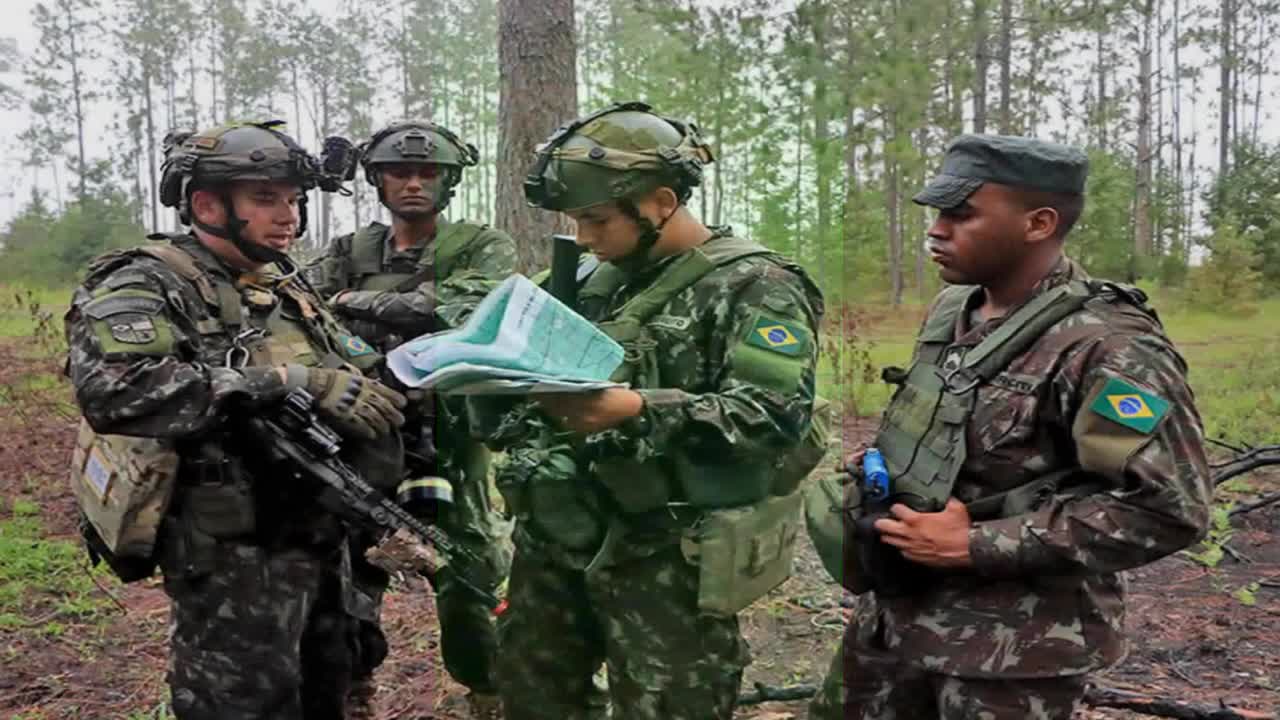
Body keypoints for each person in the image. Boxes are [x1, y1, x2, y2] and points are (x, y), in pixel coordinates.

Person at [808, 134, 1213, 720]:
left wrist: (975, 544)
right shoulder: (956, 310)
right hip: (895, 619)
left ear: (1039, 223)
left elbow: (1168, 509)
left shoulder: (1109, 348)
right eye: (936, 213)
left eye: (961, 214)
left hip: (1012, 655)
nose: (936, 230)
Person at [486, 101, 825, 720]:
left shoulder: (755, 285)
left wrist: (640, 410)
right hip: (554, 541)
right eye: (576, 221)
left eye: (596, 220)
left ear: (661, 202)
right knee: (533, 695)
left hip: (665, 556)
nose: (584, 238)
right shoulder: (583, 278)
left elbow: (774, 415)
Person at [64, 121, 408, 719]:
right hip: (233, 559)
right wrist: (286, 383)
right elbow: (117, 391)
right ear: (206, 204)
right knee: (242, 706)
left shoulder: (285, 285)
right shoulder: (146, 280)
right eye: (265, 198)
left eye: (295, 200)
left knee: (331, 689)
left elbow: (358, 368)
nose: (289, 217)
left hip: (323, 542)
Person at [308, 120, 516, 718]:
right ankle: (351, 687)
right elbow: (303, 311)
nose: (414, 183)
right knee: (348, 565)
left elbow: (462, 309)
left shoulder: (479, 244)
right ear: (378, 179)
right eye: (400, 171)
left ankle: (488, 690)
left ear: (449, 182)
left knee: (468, 566)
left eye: (428, 173)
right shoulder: (349, 250)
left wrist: (353, 303)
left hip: (451, 431)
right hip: (362, 431)